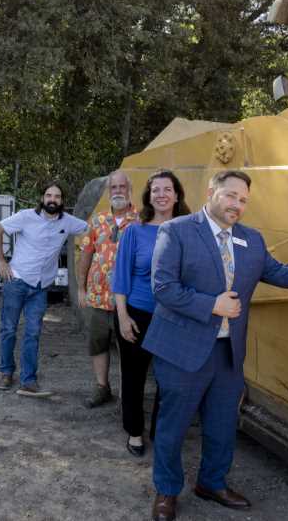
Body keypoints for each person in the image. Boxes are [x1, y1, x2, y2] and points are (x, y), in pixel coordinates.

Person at [144, 169, 288, 520]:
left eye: (244, 200)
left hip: (227, 353)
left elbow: (285, 275)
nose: (238, 205)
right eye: (232, 196)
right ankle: (167, 490)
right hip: (181, 351)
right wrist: (211, 304)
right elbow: (162, 286)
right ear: (211, 192)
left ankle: (212, 483)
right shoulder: (176, 231)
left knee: (222, 425)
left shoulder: (252, 240)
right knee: (172, 427)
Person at [112, 170, 191, 457]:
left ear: (177, 194)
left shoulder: (188, 232)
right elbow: (120, 277)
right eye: (155, 190)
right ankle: (134, 431)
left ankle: (161, 430)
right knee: (133, 377)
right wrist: (122, 316)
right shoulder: (135, 230)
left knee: (169, 380)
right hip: (136, 314)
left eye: (167, 189)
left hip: (173, 318)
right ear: (148, 196)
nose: (161, 194)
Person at [0, 181, 88, 398]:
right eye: (48, 195)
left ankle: (28, 380)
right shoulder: (26, 216)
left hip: (41, 287)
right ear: (42, 198)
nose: (52, 199)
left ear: (62, 201)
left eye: (56, 196)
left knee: (33, 333)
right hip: (17, 281)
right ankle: (6, 372)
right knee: (9, 328)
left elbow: (91, 228)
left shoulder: (68, 222)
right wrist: (1, 261)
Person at [77, 170, 138, 408]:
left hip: (129, 300)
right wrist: (81, 289)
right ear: (108, 191)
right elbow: (85, 255)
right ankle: (102, 388)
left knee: (129, 349)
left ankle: (127, 396)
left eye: (122, 187)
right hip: (97, 296)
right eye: (114, 187)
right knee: (98, 343)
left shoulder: (140, 220)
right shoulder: (97, 220)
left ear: (129, 190)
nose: (118, 191)